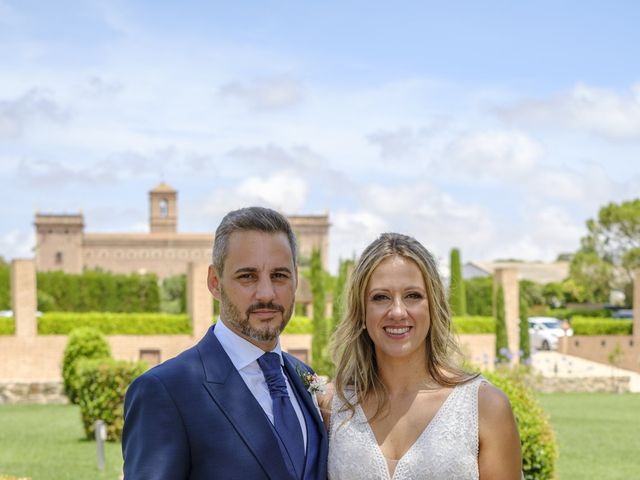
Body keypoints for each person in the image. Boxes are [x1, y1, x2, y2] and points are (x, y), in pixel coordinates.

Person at [122, 207, 328, 480]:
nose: (266, 293)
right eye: (248, 276)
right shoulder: (165, 391)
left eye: (279, 275)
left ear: (296, 279)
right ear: (215, 282)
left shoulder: (303, 377)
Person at [319, 233, 522, 480]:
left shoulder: (485, 406)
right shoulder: (332, 406)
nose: (397, 311)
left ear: (433, 306)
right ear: (362, 311)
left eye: (412, 296)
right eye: (380, 297)